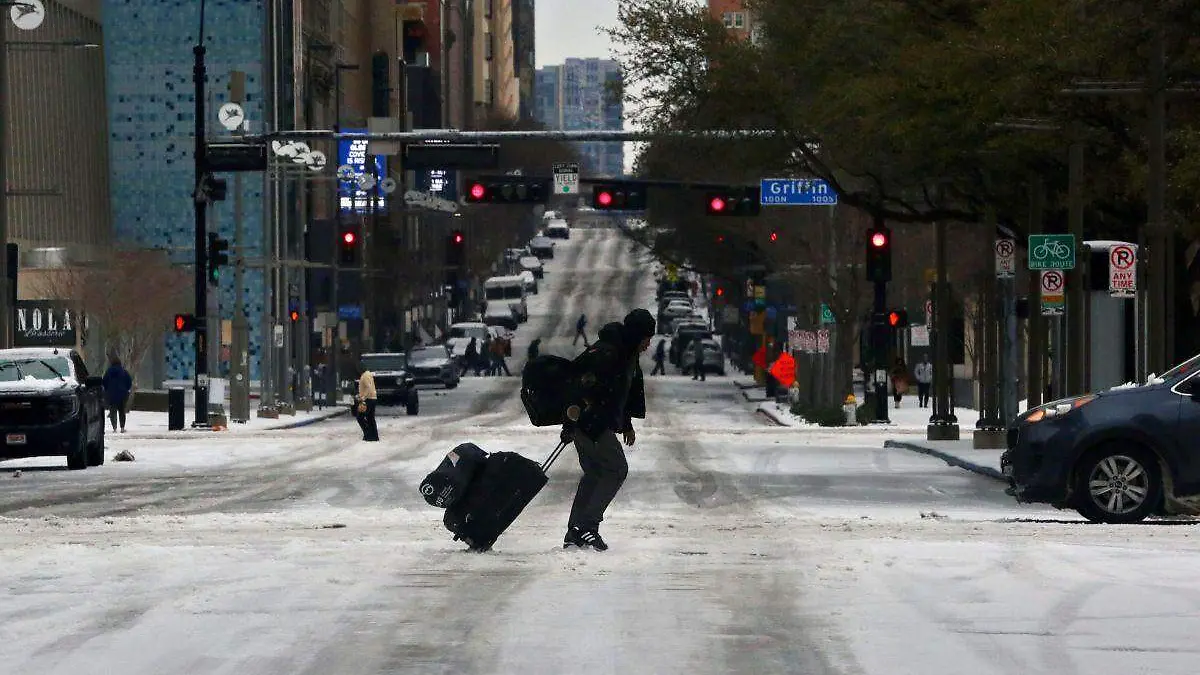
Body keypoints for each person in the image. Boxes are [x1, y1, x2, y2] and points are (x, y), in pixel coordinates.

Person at [560, 308, 656, 552]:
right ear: (636, 336)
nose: (648, 345)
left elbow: (620, 394)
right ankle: (587, 526)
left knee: (594, 473)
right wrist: (570, 423)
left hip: (592, 423)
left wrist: (627, 424)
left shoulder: (625, 354)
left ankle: (575, 531)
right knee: (616, 469)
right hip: (590, 424)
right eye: (646, 339)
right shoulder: (608, 353)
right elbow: (580, 387)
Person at [101, 355, 133, 433]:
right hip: (122, 394)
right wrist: (126, 389)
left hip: (111, 394)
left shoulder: (108, 371)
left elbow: (104, 381)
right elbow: (129, 381)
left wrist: (107, 390)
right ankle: (122, 427)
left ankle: (114, 428)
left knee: (113, 411)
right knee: (122, 411)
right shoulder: (123, 371)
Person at [356, 363, 379, 442]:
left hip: (368, 399)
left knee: (360, 417)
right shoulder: (369, 374)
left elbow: (368, 387)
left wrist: (363, 397)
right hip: (373, 398)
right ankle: (374, 436)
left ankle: (368, 434)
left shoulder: (364, 376)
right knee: (370, 418)